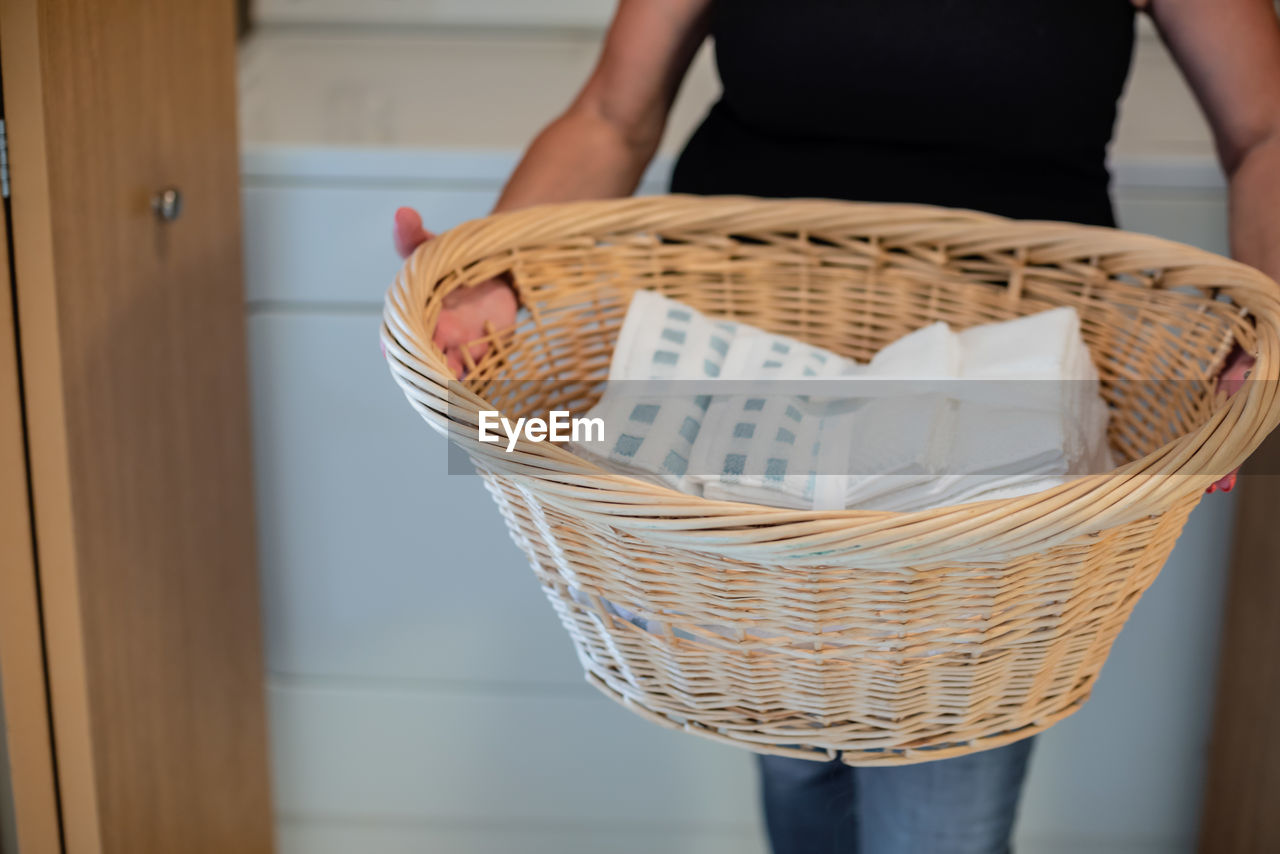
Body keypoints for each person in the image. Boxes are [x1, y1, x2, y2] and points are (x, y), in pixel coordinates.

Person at [393, 2, 1280, 851]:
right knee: (798, 769)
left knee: (942, 813)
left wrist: (1271, 326)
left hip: (1011, 401)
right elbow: (612, 113)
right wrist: (499, 269)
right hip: (739, 374)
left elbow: (1263, 130)